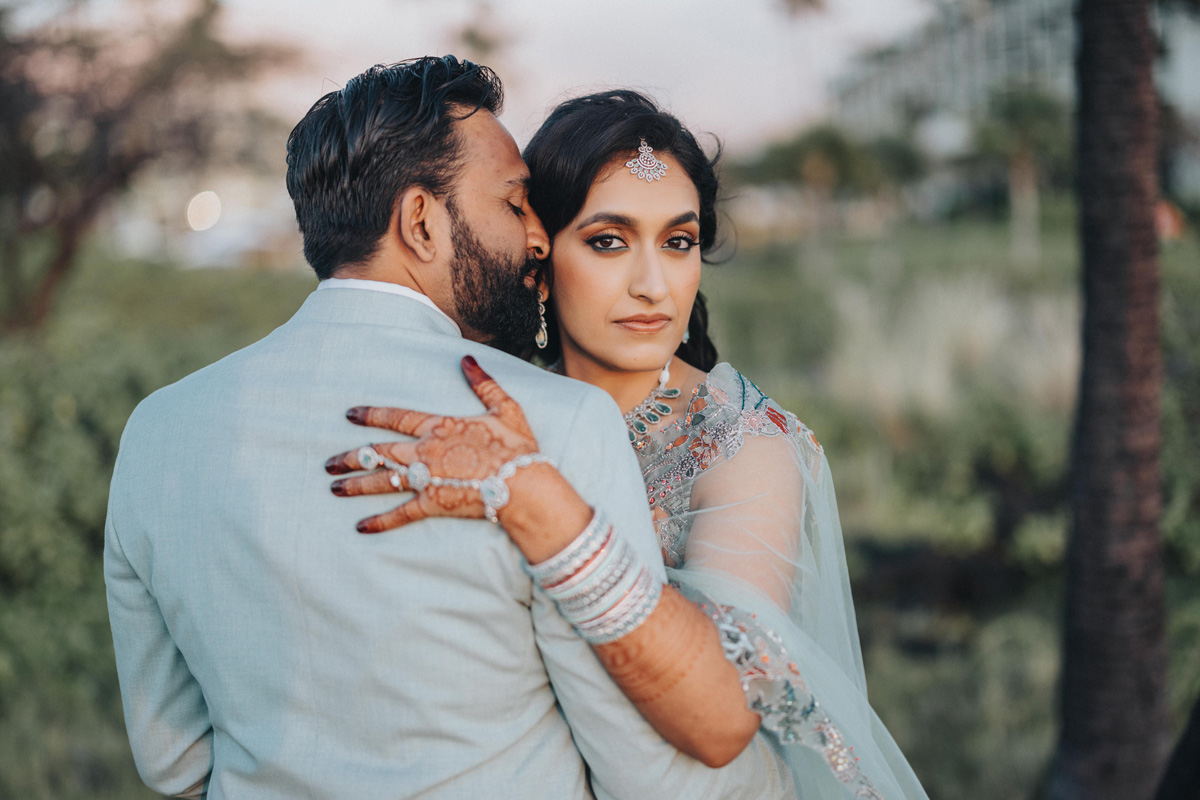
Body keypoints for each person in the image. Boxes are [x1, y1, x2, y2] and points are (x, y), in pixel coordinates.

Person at [104, 58, 792, 799]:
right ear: (422, 223)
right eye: (513, 202)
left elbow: (170, 759)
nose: (535, 236)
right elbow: (648, 775)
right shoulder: (545, 424)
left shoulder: (157, 430)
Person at [329, 91, 930, 799]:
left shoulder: (739, 446)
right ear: (540, 250)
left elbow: (721, 715)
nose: (652, 286)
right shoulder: (487, 408)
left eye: (677, 242)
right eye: (609, 241)